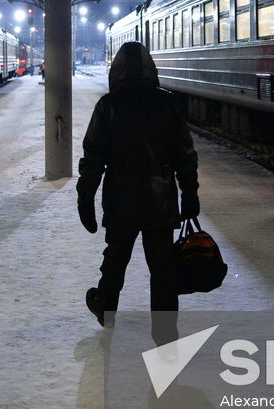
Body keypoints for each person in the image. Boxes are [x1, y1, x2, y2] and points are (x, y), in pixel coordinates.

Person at [76, 41, 198, 335]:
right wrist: (189, 194)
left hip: (121, 197)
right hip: (160, 199)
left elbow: (93, 158)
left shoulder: (109, 105)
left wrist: (86, 198)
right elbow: (185, 156)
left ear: (117, 71)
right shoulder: (168, 103)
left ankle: (105, 309)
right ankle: (165, 331)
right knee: (162, 268)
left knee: (115, 258)